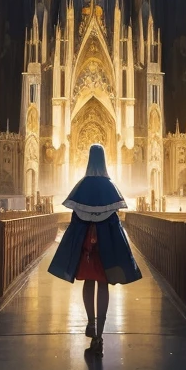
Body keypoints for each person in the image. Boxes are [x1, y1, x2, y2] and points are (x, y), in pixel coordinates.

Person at [48, 144, 141, 356]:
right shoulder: (110, 187)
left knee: (88, 283)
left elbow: (75, 221)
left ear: (89, 160)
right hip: (105, 248)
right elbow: (114, 224)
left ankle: (90, 321)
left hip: (87, 248)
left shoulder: (82, 186)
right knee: (103, 285)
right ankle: (99, 334)